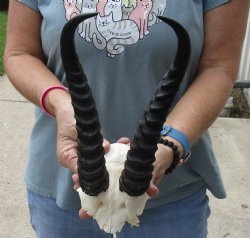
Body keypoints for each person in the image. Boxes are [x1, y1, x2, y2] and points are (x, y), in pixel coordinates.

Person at [4, 0, 249, 237]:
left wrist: (169, 144)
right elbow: (19, 52)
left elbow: (218, 66)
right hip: (61, 192)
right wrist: (62, 104)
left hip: (171, 202)